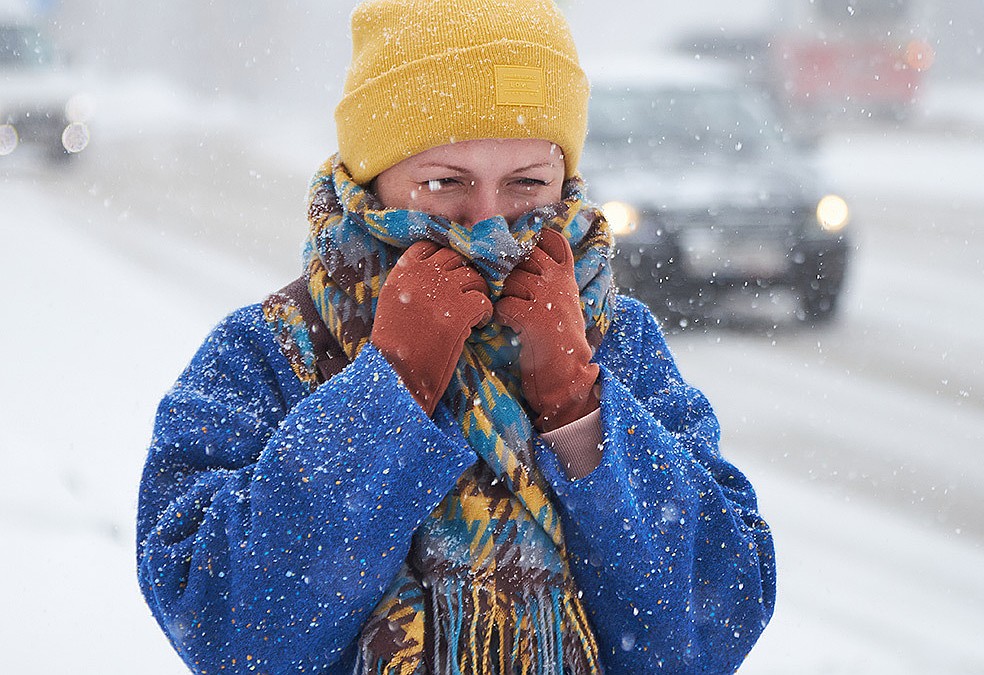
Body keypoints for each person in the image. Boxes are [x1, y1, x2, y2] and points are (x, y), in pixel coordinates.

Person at [135, 0, 775, 673]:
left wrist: (578, 403)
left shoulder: (618, 343)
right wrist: (393, 390)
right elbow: (229, 629)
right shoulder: (272, 350)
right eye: (444, 183)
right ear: (372, 181)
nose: (490, 224)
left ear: (566, 180)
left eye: (527, 183)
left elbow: (713, 624)